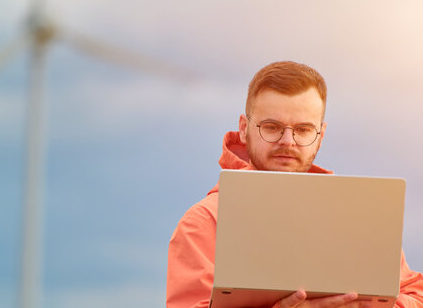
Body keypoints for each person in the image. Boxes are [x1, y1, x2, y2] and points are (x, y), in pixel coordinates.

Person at [166, 61, 423, 308]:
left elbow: (415, 296)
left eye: (302, 130)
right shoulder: (203, 223)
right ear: (244, 128)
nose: (288, 141)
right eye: (271, 126)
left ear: (320, 135)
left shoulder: (357, 218)